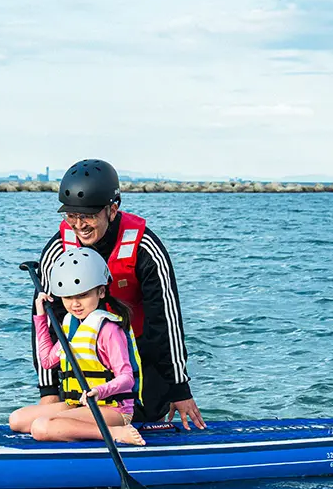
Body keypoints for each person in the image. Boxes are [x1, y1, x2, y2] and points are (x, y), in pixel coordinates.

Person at [32, 158, 206, 429]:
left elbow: (166, 323)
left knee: (146, 418)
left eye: (88, 215)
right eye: (71, 216)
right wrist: (48, 391)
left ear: (112, 209)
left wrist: (179, 388)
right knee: (46, 421)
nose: (80, 225)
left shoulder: (146, 248)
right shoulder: (57, 250)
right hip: (81, 368)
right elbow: (47, 323)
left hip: (136, 363)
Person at [11, 247, 147, 446]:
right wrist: (41, 316)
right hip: (76, 403)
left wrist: (99, 391)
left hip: (114, 409)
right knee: (17, 420)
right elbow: (48, 361)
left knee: (41, 427)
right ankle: (84, 427)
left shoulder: (109, 330)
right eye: (68, 297)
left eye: (82, 295)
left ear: (101, 291)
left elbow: (126, 379)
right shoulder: (72, 326)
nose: (75, 304)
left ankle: (115, 432)